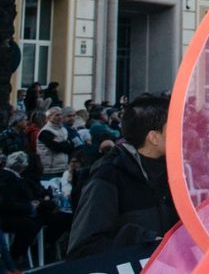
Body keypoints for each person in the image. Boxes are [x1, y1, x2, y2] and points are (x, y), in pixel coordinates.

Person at [66, 94, 178, 259]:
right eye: (175, 127)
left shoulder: (178, 171)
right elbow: (84, 248)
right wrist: (142, 240)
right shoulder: (108, 175)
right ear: (154, 137)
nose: (184, 132)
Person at [37, 107, 75, 176]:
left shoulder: (64, 130)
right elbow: (56, 147)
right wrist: (65, 144)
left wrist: (64, 144)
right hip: (50, 170)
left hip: (63, 167)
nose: (60, 117)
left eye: (60, 115)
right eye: (57, 115)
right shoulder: (45, 131)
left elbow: (71, 146)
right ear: (49, 118)